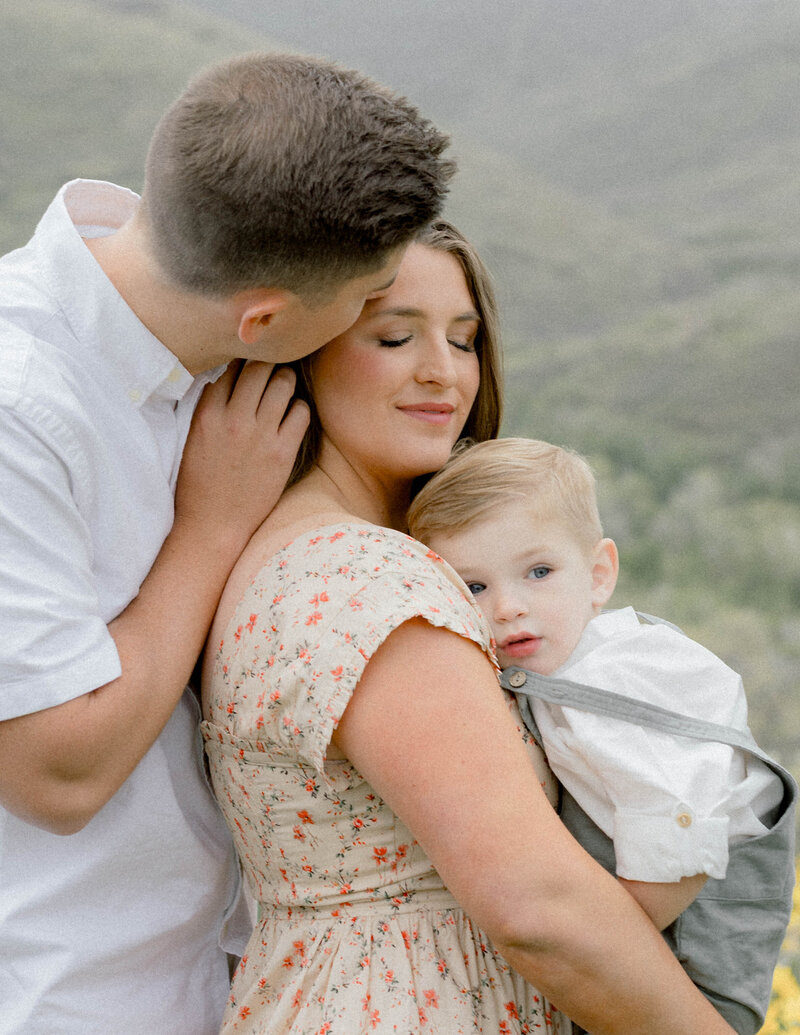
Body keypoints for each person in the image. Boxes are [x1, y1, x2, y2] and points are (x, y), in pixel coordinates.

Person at [0, 51, 455, 1035]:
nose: (368, 315)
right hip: (69, 995)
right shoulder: (18, 409)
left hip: (251, 985)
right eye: (369, 298)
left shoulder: (221, 337)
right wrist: (209, 527)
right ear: (264, 316)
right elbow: (52, 774)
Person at [201, 225, 737, 1034]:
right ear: (304, 348)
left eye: (463, 339)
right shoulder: (367, 578)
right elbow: (536, 908)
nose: (442, 371)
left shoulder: (280, 552)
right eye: (394, 337)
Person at [407, 435, 795, 1033]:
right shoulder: (560, 669)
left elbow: (676, 827)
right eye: (474, 587)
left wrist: (599, 953)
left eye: (539, 572)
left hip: (691, 944)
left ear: (598, 575)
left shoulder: (615, 678)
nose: (508, 606)